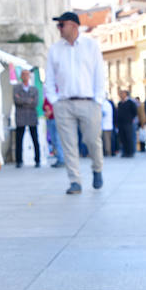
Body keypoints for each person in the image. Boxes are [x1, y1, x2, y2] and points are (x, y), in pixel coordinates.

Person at [45, 11, 106, 194]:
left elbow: (99, 74)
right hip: (64, 103)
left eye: (61, 25)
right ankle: (75, 181)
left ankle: (97, 168)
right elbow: (49, 78)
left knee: (92, 140)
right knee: (68, 144)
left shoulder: (91, 46)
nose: (59, 29)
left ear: (73, 25)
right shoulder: (55, 49)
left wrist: (98, 99)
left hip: (88, 102)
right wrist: (54, 101)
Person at [12, 69, 40, 167]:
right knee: (19, 140)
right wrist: (29, 100)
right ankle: (19, 161)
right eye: (23, 74)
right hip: (20, 117)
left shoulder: (34, 89)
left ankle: (37, 160)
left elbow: (35, 102)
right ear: (21, 76)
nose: (25, 76)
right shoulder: (16, 88)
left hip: (31, 116)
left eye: (27, 74)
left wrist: (22, 100)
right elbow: (16, 101)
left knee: (35, 139)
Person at [115, 89, 139, 158]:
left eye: (123, 93)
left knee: (129, 138)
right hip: (121, 123)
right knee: (123, 138)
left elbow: (135, 112)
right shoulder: (120, 103)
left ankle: (130, 152)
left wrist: (131, 119)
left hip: (128, 123)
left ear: (126, 94)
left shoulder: (130, 103)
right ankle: (124, 152)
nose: (121, 95)